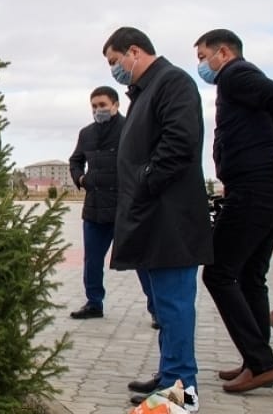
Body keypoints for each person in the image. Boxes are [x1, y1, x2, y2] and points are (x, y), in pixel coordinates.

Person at [101, 27, 212, 413]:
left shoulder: (173, 82)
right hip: (149, 217)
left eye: (115, 61)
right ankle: (169, 376)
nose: (115, 70)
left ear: (134, 51)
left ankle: (182, 389)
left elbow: (180, 142)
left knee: (175, 304)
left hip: (170, 219)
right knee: (163, 307)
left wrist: (145, 182)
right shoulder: (146, 92)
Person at [194, 29, 273, 393]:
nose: (201, 65)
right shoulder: (238, 80)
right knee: (252, 277)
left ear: (223, 53)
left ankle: (261, 362)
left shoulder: (235, 74)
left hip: (254, 193)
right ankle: (255, 361)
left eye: (202, 56)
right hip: (270, 193)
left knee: (218, 273)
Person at [67, 86, 125, 319]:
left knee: (140, 260)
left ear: (115, 105)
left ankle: (156, 309)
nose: (98, 110)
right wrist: (81, 178)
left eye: (102, 105)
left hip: (124, 208)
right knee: (92, 260)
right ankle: (94, 302)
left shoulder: (130, 128)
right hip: (94, 208)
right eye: (94, 106)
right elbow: (75, 160)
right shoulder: (86, 133)